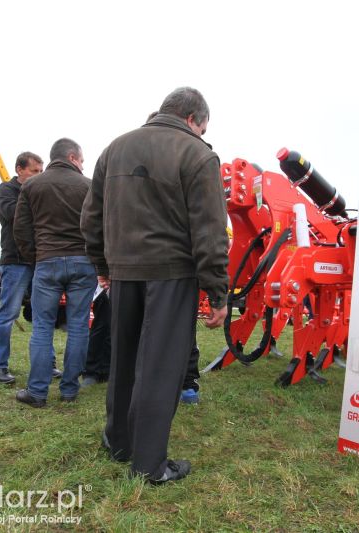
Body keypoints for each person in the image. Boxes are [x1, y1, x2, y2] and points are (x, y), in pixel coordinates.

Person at [81, 87, 229, 484]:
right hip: (171, 274)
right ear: (194, 119)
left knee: (124, 358)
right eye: (203, 127)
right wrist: (218, 290)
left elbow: (91, 216)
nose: (202, 132)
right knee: (161, 366)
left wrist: (102, 264)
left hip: (123, 270)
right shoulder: (198, 154)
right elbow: (210, 230)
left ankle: (120, 442)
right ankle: (149, 465)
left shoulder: (114, 149)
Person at [13, 138, 96, 407]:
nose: (83, 165)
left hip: (46, 261)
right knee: (79, 326)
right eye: (82, 160)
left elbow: (21, 230)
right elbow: (101, 228)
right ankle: (69, 390)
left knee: (42, 327)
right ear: (72, 157)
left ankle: (37, 393)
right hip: (83, 262)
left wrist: (35, 258)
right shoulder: (90, 186)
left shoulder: (32, 185)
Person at [0, 152, 44, 384]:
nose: (39, 176)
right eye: (34, 171)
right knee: (8, 314)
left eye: (41, 172)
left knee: (44, 315)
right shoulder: (6, 190)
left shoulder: (38, 190)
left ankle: (45, 364)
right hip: (15, 262)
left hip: (39, 260)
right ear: (20, 169)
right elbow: (12, 214)